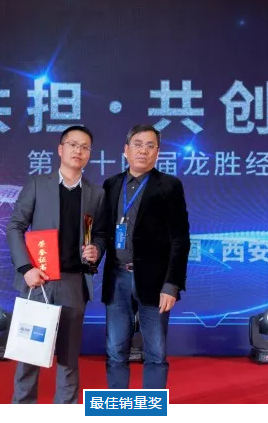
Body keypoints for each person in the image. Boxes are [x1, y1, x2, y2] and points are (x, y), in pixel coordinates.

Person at [87, 124, 190, 389]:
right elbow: (102, 231)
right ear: (126, 150)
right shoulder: (111, 185)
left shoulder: (170, 186)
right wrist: (95, 251)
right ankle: (118, 405)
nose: (143, 151)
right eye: (137, 144)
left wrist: (172, 285)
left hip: (155, 282)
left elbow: (180, 240)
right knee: (115, 350)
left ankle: (151, 407)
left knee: (155, 352)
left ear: (158, 152)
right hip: (117, 277)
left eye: (150, 146)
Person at [6, 125, 103, 403]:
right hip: (39, 281)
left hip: (74, 283)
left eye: (84, 147)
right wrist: (26, 269)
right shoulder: (38, 184)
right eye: (73, 144)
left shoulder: (95, 194)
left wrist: (97, 249)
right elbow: (15, 226)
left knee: (68, 359)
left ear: (89, 154)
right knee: (29, 355)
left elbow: (99, 234)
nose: (78, 151)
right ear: (60, 149)